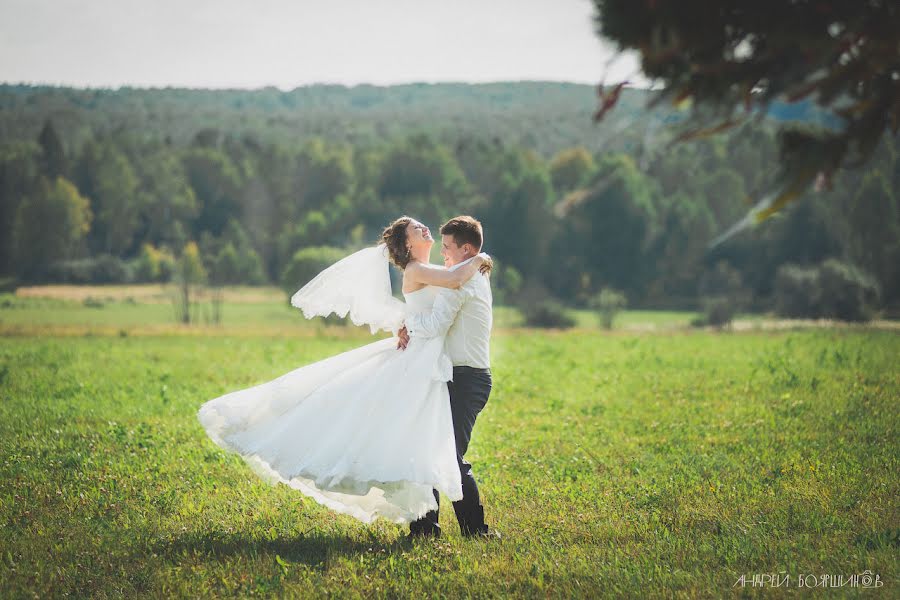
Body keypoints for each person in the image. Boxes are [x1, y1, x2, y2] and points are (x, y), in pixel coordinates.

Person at [197, 215, 492, 529]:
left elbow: (441, 294)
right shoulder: (426, 270)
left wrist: (405, 321)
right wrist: (481, 259)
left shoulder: (445, 271)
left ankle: (430, 527)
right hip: (423, 364)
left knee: (422, 446)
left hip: (433, 367)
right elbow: (444, 297)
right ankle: (439, 527)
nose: (425, 229)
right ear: (407, 244)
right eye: (415, 229)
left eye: (444, 241)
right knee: (420, 446)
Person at [398, 216, 501, 540]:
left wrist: (408, 326)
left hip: (466, 379)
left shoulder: (461, 282)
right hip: (461, 376)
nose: (443, 255)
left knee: (449, 455)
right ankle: (425, 527)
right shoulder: (471, 274)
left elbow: (436, 325)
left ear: (465, 249)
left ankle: (475, 530)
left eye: (447, 248)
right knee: (431, 449)